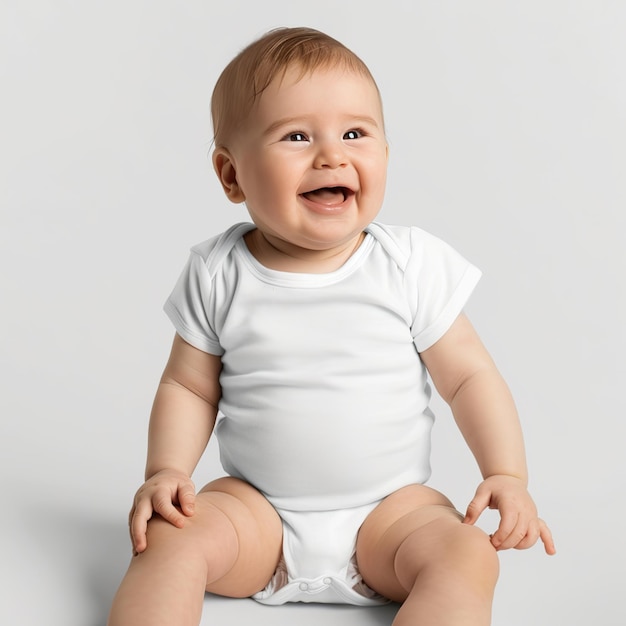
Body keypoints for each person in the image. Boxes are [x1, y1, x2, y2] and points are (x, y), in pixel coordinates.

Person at [107, 26, 555, 626]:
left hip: (390, 516)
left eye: (354, 133)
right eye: (296, 135)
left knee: (465, 552)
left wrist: (506, 473)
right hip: (257, 514)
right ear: (231, 175)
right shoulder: (219, 272)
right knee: (171, 538)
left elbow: (469, 377)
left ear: (385, 154)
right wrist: (166, 472)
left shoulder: (409, 265)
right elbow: (188, 387)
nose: (331, 155)